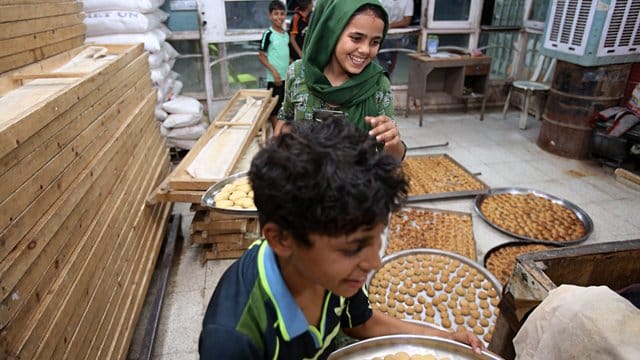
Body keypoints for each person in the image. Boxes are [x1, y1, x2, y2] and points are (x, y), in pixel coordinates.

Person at [199, 117, 484, 359]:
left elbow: (362, 322)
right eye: (353, 248)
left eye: (376, 239)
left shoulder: (334, 275)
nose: (374, 263)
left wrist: (445, 338)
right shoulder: (233, 339)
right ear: (283, 239)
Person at [275, 0, 407, 161]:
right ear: (331, 32)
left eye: (375, 42)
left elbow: (393, 156)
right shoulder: (298, 73)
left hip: (356, 184)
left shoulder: (378, 84)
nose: (365, 50)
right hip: (305, 182)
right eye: (356, 38)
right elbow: (285, 118)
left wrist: (393, 143)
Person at [258, 0, 290, 130]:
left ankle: (281, 135)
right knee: (274, 110)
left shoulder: (286, 34)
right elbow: (261, 55)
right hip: (274, 80)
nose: (279, 17)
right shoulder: (268, 34)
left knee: (285, 107)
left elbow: (285, 55)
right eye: (276, 14)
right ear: (270, 16)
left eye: (282, 14)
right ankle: (277, 138)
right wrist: (274, 72)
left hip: (286, 78)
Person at [377, 0, 414, 76]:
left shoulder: (408, 1)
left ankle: (387, 81)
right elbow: (375, 15)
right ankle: (382, 82)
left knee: (392, 61)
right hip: (381, 35)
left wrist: (390, 25)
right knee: (382, 62)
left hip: (397, 37)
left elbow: (407, 21)